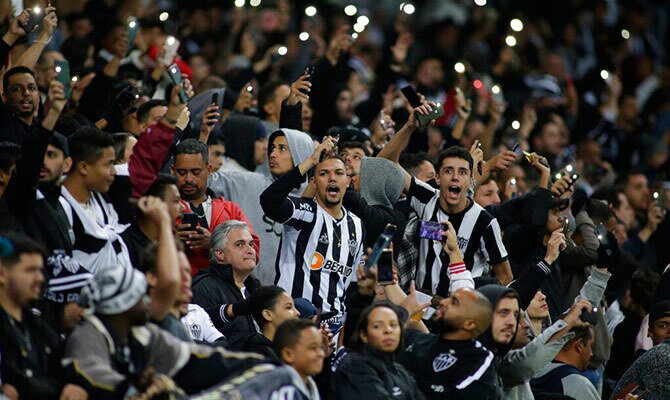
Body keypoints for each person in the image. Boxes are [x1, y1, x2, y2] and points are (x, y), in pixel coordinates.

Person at [63, 264, 265, 398]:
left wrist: (255, 364)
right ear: (122, 304)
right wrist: (136, 387)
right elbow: (91, 373)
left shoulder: (142, 333)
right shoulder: (88, 333)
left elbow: (191, 356)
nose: (148, 301)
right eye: (141, 296)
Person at [380, 106, 512, 294]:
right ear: (438, 178)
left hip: (458, 314)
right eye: (448, 171)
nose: (455, 177)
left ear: (471, 180)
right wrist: (409, 127)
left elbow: (506, 278)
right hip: (420, 308)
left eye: (463, 172)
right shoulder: (425, 197)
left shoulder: (486, 222)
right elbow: (385, 164)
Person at [260, 138, 365, 327]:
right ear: (314, 183)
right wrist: (311, 161)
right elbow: (269, 201)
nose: (332, 178)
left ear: (348, 182)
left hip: (335, 326)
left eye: (339, 173)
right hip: (294, 322)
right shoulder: (306, 213)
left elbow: (353, 284)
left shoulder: (357, 225)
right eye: (324, 173)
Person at [208, 127, 315, 285]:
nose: (272, 154)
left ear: (301, 153)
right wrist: (203, 135)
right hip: (247, 291)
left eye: (282, 149)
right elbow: (203, 179)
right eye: (272, 148)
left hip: (292, 297)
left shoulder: (314, 200)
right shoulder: (248, 183)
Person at [0, 232, 88, 400]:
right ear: (2, 274)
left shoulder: (36, 326)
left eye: (40, 270)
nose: (40, 278)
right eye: (30, 270)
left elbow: (66, 368)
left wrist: (74, 386)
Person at [171, 139, 259, 273]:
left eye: (195, 172)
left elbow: (254, 252)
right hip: (181, 288)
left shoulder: (231, 210)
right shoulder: (164, 210)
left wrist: (214, 243)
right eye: (182, 172)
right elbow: (143, 252)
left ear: (208, 170)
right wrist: (170, 240)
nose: (188, 179)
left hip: (225, 289)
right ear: (172, 170)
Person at [400, 287, 497, 399]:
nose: (443, 302)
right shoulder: (413, 338)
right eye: (448, 298)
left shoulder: (478, 359)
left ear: (469, 324)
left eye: (454, 302)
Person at [59, 127, 132, 275]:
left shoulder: (103, 196)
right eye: (108, 164)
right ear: (84, 167)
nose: (114, 171)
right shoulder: (58, 209)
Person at [332, 301, 425, 400]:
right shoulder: (354, 366)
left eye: (393, 325)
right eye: (377, 326)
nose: (388, 330)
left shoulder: (400, 371)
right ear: (364, 335)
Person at [191, 220, 261, 348]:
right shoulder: (204, 288)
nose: (250, 250)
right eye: (240, 244)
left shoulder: (254, 287)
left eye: (251, 244)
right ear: (220, 254)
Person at [530, 326, 599, 400]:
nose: (591, 353)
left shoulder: (532, 372)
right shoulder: (578, 384)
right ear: (579, 345)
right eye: (590, 346)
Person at [239, 285, 301, 359]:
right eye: (288, 307)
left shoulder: (286, 351)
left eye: (295, 307)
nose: (297, 313)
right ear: (268, 314)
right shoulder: (258, 355)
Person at [273, 319, 325, 399]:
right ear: (288, 354)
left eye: (321, 347)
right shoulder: (275, 392)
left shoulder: (309, 385)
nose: (321, 354)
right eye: (313, 348)